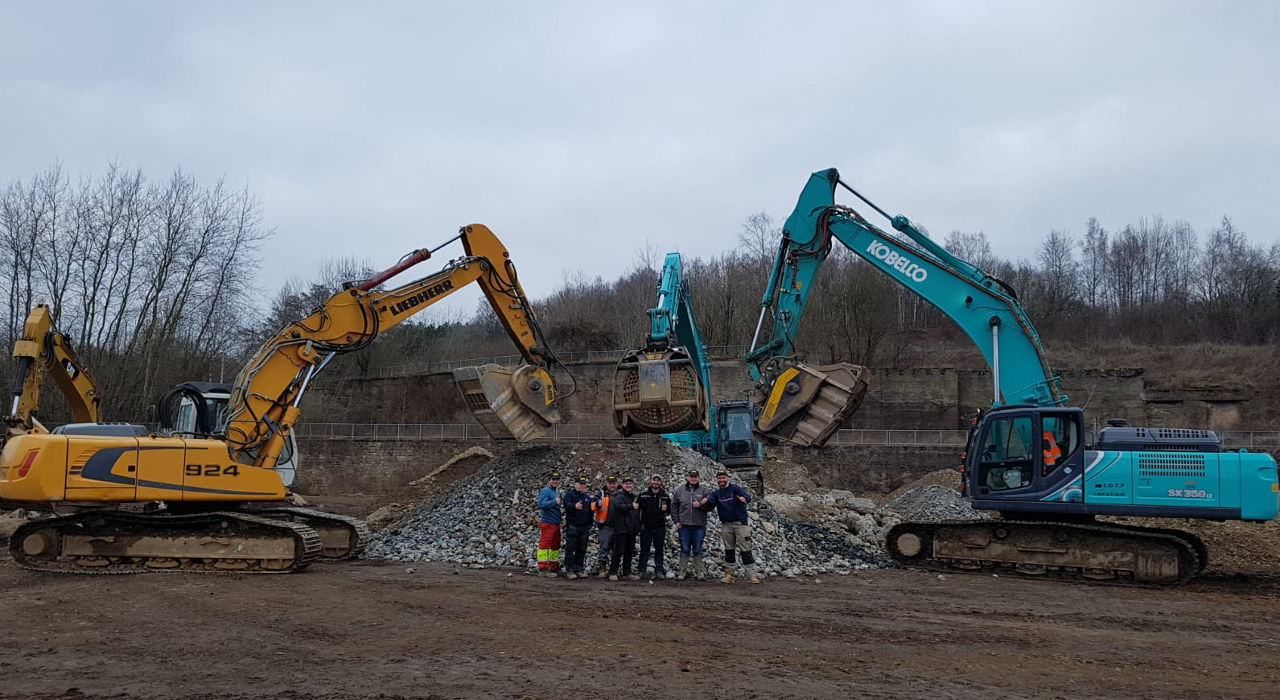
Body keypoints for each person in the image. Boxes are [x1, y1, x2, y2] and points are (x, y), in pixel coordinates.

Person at [710, 468, 760, 584]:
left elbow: (747, 497)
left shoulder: (735, 489)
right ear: (717, 480)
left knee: (746, 549)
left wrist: (744, 499)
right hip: (726, 525)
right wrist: (702, 502)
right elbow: (709, 502)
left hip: (740, 524)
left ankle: (751, 575)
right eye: (719, 478)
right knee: (729, 550)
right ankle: (729, 574)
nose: (721, 480)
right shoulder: (717, 493)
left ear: (727, 478)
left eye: (723, 477)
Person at [670, 468, 713, 581]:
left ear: (699, 478)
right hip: (684, 526)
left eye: (695, 477)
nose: (693, 478)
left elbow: (710, 506)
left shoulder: (704, 490)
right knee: (684, 548)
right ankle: (682, 572)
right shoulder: (679, 490)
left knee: (698, 548)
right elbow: (674, 506)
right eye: (691, 476)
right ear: (688, 478)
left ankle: (699, 573)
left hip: (699, 525)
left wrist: (700, 505)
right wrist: (676, 521)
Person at [635, 473, 672, 579]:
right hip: (646, 527)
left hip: (660, 527)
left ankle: (659, 570)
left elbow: (670, 511)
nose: (656, 482)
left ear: (660, 482)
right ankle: (641, 570)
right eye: (654, 480)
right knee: (644, 549)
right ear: (651, 481)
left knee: (659, 549)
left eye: (658, 480)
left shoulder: (665, 495)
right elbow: (637, 509)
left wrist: (667, 510)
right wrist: (639, 524)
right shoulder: (643, 495)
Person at [606, 476, 642, 580]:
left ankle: (627, 572)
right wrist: (631, 506)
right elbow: (618, 506)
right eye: (626, 483)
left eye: (630, 483)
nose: (628, 485)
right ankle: (613, 572)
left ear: (633, 485)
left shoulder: (633, 497)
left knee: (629, 551)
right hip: (622, 529)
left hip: (631, 529)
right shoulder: (620, 496)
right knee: (618, 551)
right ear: (622, 485)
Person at [561, 476, 596, 579]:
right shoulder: (570, 495)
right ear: (575, 484)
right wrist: (574, 506)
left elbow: (590, 511)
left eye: (584, 484)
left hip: (585, 527)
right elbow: (566, 505)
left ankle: (579, 568)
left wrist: (590, 524)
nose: (583, 485)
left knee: (582, 549)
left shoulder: (586, 497)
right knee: (570, 548)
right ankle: (570, 570)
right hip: (573, 526)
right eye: (581, 484)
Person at [591, 476, 621, 577]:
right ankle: (602, 568)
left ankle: (613, 569)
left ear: (617, 484)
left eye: (614, 483)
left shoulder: (621, 494)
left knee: (616, 549)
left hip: (618, 526)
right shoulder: (601, 494)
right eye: (610, 483)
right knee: (604, 547)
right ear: (606, 484)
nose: (612, 485)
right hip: (605, 525)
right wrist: (597, 504)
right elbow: (592, 506)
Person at [535, 472, 563, 577]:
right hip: (548, 523)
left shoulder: (555, 492)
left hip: (555, 523)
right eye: (553, 479)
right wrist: (554, 502)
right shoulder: (545, 491)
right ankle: (542, 568)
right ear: (549, 480)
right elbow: (541, 504)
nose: (555, 481)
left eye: (557, 479)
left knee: (555, 546)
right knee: (545, 545)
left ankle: (553, 566)